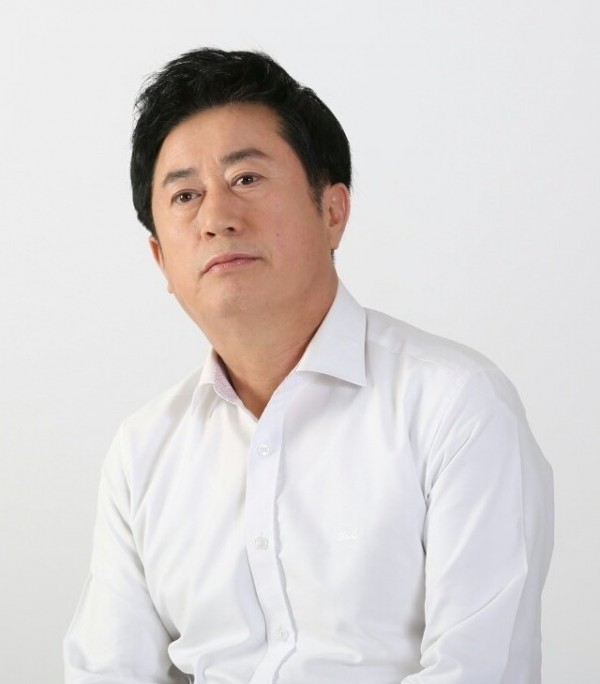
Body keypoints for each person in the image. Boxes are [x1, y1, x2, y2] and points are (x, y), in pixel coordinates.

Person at [64, 48, 554, 683]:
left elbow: (480, 672)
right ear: (161, 259)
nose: (216, 218)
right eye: (185, 195)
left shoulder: (456, 406)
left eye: (246, 179)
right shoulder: (142, 452)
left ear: (332, 211)